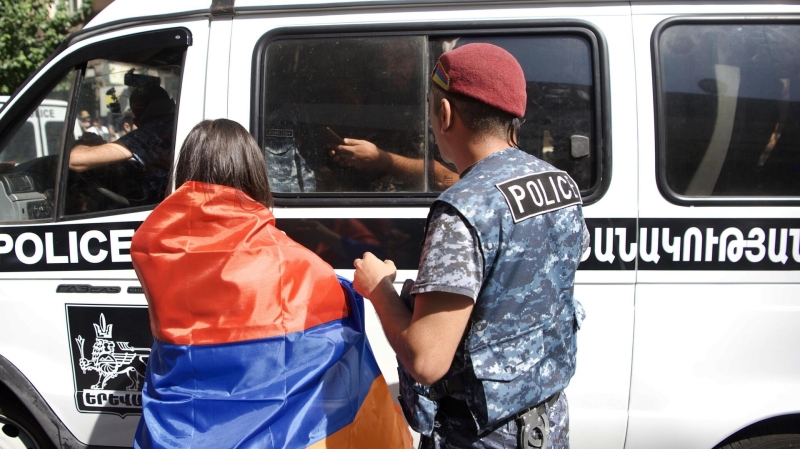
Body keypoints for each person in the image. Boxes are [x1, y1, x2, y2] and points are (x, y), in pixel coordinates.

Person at [352, 43, 590, 448]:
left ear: (444, 114)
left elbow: (427, 361)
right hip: (547, 426)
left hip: (481, 437)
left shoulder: (463, 208)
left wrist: (379, 290)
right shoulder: (559, 182)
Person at [129, 119, 411, 449]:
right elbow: (333, 322)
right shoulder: (289, 260)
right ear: (253, 174)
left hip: (180, 431)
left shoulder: (156, 251)